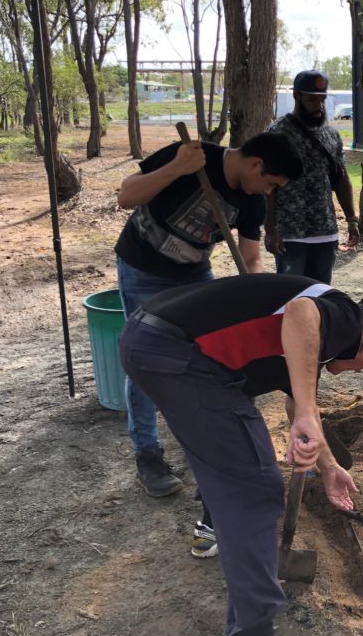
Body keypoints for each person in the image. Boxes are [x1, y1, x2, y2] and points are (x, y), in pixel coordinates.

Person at [119, 274, 363, 636]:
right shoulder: (345, 317)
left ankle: (213, 522)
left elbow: (298, 403)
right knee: (256, 489)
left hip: (151, 340)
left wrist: (329, 466)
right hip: (180, 354)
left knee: (227, 458)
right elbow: (301, 314)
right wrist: (306, 411)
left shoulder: (317, 341)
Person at [115, 132, 303, 502]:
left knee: (213, 359)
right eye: (270, 183)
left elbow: (251, 258)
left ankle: (212, 453)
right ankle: (148, 455)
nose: (269, 192)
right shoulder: (191, 156)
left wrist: (258, 296)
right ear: (255, 165)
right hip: (142, 269)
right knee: (145, 361)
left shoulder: (252, 201)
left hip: (194, 274)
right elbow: (126, 197)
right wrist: (176, 168)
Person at [264, 70, 359, 284]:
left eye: (322, 100)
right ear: (297, 96)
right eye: (312, 100)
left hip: (325, 232)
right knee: (291, 294)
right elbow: (267, 186)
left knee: (321, 295)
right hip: (290, 234)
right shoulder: (277, 134)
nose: (319, 106)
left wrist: (352, 219)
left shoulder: (331, 135)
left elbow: (341, 179)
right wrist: (270, 229)